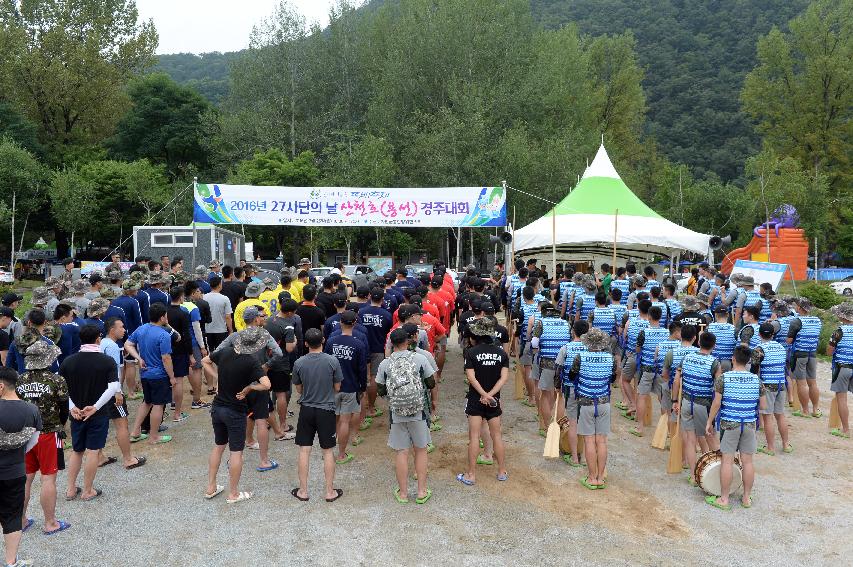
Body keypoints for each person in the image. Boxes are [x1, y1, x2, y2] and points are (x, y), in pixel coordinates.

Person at [204, 327, 271, 504]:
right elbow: (266, 384)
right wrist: (249, 387)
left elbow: (204, 361)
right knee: (236, 452)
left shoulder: (224, 352)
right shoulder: (251, 361)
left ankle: (211, 487)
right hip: (235, 410)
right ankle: (233, 493)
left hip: (217, 407)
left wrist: (217, 377)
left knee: (218, 446)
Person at [60, 324, 122, 502]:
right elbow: (113, 387)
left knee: (77, 451)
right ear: (98, 339)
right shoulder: (106, 361)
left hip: (77, 412)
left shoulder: (68, 361)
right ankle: (88, 490)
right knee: (93, 451)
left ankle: (71, 489)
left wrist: (72, 406)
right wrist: (95, 406)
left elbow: (61, 387)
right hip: (97, 413)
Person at [16, 341, 69, 536]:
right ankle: (50, 522)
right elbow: (64, 410)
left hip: (24, 434)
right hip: (48, 433)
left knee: (25, 478)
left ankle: (20, 520)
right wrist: (60, 425)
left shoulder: (19, 381)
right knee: (48, 478)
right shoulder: (56, 380)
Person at [377, 328, 435, 504]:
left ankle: (403, 493)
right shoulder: (419, 358)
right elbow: (431, 382)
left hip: (397, 413)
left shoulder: (385, 364)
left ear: (391, 344)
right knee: (421, 450)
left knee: (402, 452)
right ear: (408, 341)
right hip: (418, 410)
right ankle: (421, 491)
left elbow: (380, 389)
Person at [705, 345, 764, 510]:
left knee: (727, 461)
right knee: (748, 462)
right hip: (749, 424)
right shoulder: (756, 380)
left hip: (730, 423)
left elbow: (717, 403)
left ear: (733, 359)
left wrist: (709, 421)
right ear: (748, 361)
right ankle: (746, 498)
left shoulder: (723, 378)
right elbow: (763, 404)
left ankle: (724, 499)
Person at [291, 329, 344, 503]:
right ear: (323, 340)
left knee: (304, 450)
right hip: (326, 409)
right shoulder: (332, 361)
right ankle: (329, 491)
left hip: (306, 409)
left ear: (305, 343)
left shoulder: (299, 362)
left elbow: (298, 389)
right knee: (327, 451)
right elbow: (337, 387)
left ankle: (303, 491)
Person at [458, 317, 509, 486]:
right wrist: (491, 395)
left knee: (474, 436)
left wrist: (483, 394)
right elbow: (504, 379)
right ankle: (501, 471)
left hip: (475, 399)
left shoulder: (471, 353)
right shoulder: (501, 353)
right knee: (497, 436)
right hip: (494, 400)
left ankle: (471, 475)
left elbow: (471, 378)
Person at [0, 366, 42, 567]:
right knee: (12, 517)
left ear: (1, 386)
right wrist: (16, 454)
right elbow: (33, 442)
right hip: (14, 470)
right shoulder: (31, 410)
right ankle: (11, 562)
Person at [567, 328, 617, 489]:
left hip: (586, 402)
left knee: (589, 440)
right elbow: (613, 378)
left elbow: (571, 376)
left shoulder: (580, 357)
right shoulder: (610, 358)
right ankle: (601, 477)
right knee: (601, 441)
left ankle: (591, 477)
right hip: (604, 402)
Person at [98, 318, 146, 470]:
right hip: (111, 392)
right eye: (121, 327)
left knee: (100, 424)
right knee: (122, 424)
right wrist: (118, 391)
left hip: (99, 390)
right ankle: (128, 459)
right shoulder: (112, 346)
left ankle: (99, 456)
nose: (124, 330)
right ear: (112, 329)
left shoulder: (102, 343)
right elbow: (115, 373)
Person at [673, 331, 721, 480]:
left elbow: (676, 381)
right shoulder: (714, 363)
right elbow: (718, 388)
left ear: (699, 343)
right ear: (713, 345)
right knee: (711, 438)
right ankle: (720, 471)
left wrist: (675, 401)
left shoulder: (686, 358)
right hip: (704, 404)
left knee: (690, 439)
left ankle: (694, 476)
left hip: (686, 402)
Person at [126, 303, 175, 445]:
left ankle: (135, 432)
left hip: (145, 374)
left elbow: (128, 344)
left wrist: (138, 358)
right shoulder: (164, 335)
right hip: (159, 375)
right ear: (162, 317)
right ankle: (154, 436)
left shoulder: (141, 329)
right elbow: (166, 358)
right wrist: (171, 377)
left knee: (147, 402)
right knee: (158, 405)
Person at [324, 311, 368, 464]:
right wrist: (362, 387)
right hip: (351, 386)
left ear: (340, 323)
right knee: (344, 420)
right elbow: (362, 369)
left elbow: (325, 363)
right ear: (355, 324)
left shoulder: (331, 342)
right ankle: (341, 454)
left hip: (333, 386)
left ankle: (330, 447)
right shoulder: (359, 344)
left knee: (333, 418)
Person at [751, 322, 792, 455]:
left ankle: (770, 447)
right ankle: (786, 444)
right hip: (781, 384)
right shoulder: (780, 347)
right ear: (773, 334)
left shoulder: (759, 349)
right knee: (780, 415)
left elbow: (754, 370)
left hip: (767, 385)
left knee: (768, 417)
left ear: (759, 334)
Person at [530, 301, 570, 435]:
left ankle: (547, 427)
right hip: (563, 364)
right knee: (560, 395)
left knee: (545, 395)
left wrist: (536, 351)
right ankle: (558, 426)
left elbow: (534, 342)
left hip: (547, 363)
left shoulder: (541, 322)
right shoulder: (566, 323)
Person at [358, 287, 393, 426]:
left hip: (362, 348)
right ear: (382, 299)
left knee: (362, 377)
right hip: (378, 348)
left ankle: (362, 406)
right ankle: (370, 407)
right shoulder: (386, 314)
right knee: (374, 378)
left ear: (370, 297)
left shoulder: (361, 312)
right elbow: (388, 333)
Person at [632, 305, 668, 437]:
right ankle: (666, 429)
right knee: (662, 398)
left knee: (642, 396)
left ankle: (640, 426)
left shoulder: (644, 332)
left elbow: (638, 350)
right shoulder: (666, 332)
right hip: (660, 370)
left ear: (649, 317)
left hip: (646, 368)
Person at [788, 297, 823, 418]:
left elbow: (789, 340)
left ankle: (805, 410)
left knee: (801, 383)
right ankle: (815, 409)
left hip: (799, 354)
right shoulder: (817, 320)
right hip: (812, 354)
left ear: (799, 308)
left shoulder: (796, 321)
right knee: (813, 383)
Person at [828, 302, 853, 438]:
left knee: (842, 399)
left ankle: (846, 430)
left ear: (842, 316)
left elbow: (829, 351)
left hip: (842, 368)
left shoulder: (838, 332)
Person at [203, 276, 234, 361]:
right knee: (221, 354)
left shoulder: (204, 297)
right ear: (220, 285)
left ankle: (210, 371)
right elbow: (228, 317)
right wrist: (230, 330)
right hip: (221, 330)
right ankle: (219, 372)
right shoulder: (224, 298)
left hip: (207, 330)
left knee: (210, 355)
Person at [707, 305, 737, 372]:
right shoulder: (734, 329)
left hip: (712, 361)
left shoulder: (709, 327)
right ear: (728, 315)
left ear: (716, 315)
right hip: (727, 362)